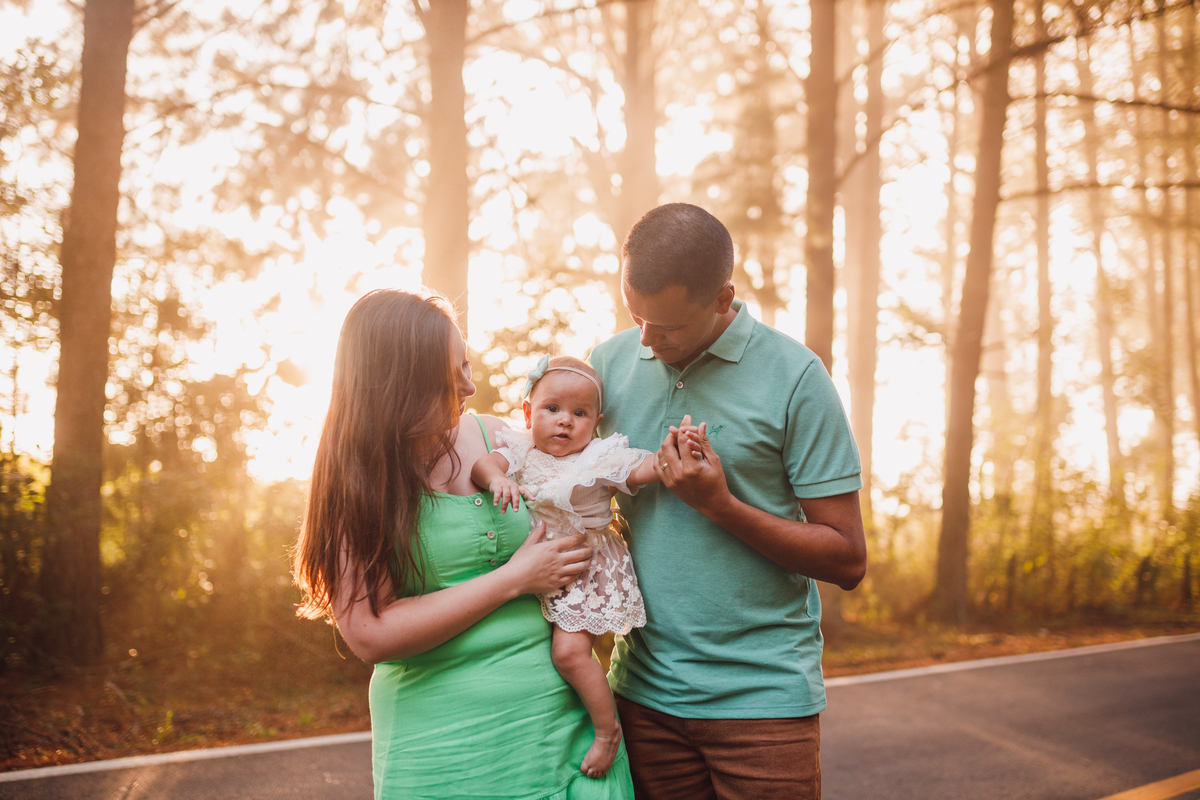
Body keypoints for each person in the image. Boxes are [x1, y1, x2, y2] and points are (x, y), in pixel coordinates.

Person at [293, 289, 635, 800]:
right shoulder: (356, 483)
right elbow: (368, 634)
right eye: (450, 375)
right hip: (444, 753)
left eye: (467, 366)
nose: (470, 386)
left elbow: (588, 477)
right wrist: (513, 579)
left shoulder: (499, 438)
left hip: (566, 736)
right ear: (402, 383)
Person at [589, 203, 867, 800]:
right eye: (636, 316)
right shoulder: (606, 366)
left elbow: (847, 559)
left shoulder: (796, 376)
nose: (646, 340)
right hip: (642, 698)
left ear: (723, 298)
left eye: (667, 326)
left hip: (763, 705)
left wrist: (722, 506)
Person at [471, 354, 661, 780]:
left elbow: (639, 468)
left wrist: (667, 460)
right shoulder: (520, 448)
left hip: (582, 569)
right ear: (528, 413)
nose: (564, 421)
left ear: (596, 423)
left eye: (580, 413)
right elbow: (484, 465)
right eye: (552, 408)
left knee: (569, 653)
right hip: (532, 567)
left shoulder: (597, 455)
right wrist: (498, 479)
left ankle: (607, 731)